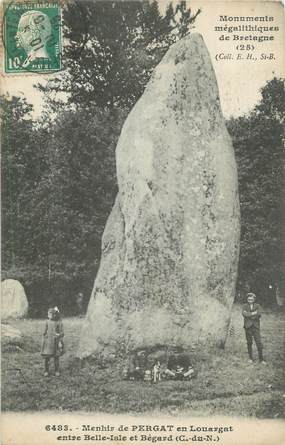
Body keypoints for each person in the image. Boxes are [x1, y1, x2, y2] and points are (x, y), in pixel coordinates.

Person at [242, 293, 266, 364]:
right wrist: (253, 313)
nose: (250, 301)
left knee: (259, 342)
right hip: (248, 327)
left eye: (251, 299)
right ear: (247, 299)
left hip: (255, 327)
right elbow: (244, 314)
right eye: (249, 299)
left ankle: (261, 359)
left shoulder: (258, 305)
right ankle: (250, 358)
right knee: (249, 342)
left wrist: (249, 314)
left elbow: (259, 314)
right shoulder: (244, 306)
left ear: (254, 299)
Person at [41, 307, 64, 376]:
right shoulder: (47, 322)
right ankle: (46, 370)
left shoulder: (58, 323)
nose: (49, 316)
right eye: (48, 314)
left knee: (56, 357)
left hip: (55, 342)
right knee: (47, 357)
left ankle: (56, 370)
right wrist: (45, 337)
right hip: (48, 343)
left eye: (51, 314)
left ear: (55, 315)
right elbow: (44, 332)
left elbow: (62, 333)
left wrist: (59, 335)